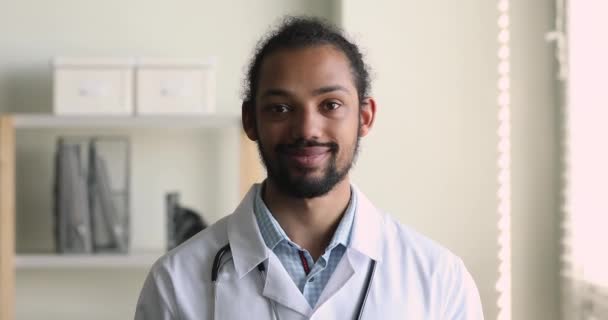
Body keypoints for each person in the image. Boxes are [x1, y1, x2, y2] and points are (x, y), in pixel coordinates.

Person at [135, 16, 484, 320]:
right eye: (280, 108)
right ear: (250, 120)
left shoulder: (439, 280)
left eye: (330, 105)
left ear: (364, 117)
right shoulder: (175, 283)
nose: (307, 129)